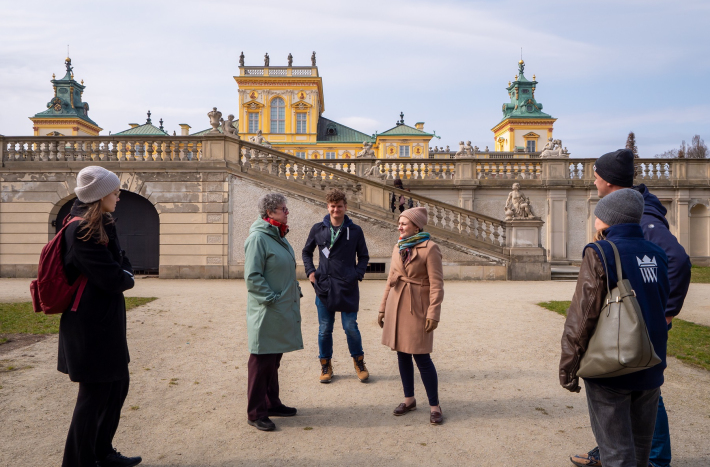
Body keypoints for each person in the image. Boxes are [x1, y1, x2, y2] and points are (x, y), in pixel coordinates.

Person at [570, 149, 692, 467]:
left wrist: (665, 313)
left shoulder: (631, 224)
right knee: (638, 427)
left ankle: (656, 458)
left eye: (596, 177)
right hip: (647, 354)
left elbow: (582, 314)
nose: (593, 182)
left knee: (621, 444)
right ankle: (644, 455)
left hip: (620, 352)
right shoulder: (647, 234)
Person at [560, 188, 671, 467]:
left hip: (611, 365)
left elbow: (582, 315)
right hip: (650, 361)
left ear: (609, 218)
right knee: (641, 452)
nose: (595, 216)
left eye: (599, 212)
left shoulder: (600, 252)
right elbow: (661, 302)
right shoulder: (658, 253)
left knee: (616, 454)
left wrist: (568, 366)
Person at [59, 166, 141, 467]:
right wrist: (126, 276)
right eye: (115, 192)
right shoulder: (81, 230)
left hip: (105, 321)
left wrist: (124, 273)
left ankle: (101, 452)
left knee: (117, 387)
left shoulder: (102, 224)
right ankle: (77, 462)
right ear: (100, 195)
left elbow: (122, 264)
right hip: (89, 326)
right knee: (93, 396)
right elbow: (113, 278)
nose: (118, 197)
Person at [378, 207, 445, 425]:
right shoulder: (398, 246)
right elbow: (390, 279)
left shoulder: (430, 248)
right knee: (402, 354)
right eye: (399, 223)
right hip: (397, 305)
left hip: (418, 308)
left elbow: (437, 284)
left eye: (404, 223)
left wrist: (434, 312)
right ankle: (409, 399)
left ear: (417, 227)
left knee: (422, 357)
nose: (399, 227)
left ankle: (434, 406)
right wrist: (382, 308)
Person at [244, 193, 304, 431]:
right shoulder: (258, 238)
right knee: (261, 361)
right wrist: (272, 298)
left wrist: (293, 292)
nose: (287, 212)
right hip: (267, 310)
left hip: (280, 308)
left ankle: (271, 403)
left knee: (273, 359)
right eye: (283, 209)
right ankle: (255, 412)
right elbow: (252, 277)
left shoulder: (278, 235)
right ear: (270, 212)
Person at [302, 188, 370, 383]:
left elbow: (364, 256)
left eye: (339, 206)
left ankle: (359, 362)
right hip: (324, 286)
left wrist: (356, 274)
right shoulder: (318, 229)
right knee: (325, 329)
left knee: (350, 327)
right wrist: (310, 271)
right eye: (332, 206)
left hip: (348, 286)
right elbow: (306, 252)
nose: (336, 210)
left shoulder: (355, 231)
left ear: (345, 207)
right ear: (327, 207)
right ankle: (325, 365)